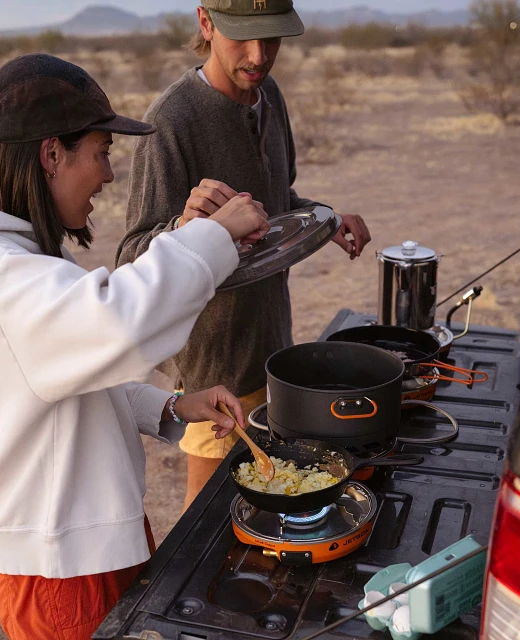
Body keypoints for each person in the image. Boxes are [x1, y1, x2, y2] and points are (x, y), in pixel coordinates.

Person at [0, 53, 269, 640]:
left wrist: (168, 407)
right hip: (63, 572)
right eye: (102, 152)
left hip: (85, 542)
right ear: (51, 154)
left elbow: (62, 376)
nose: (110, 174)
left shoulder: (12, 260)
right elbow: (122, 322)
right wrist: (210, 236)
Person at [117, 0, 372, 510]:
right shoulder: (171, 121)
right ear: (205, 24)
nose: (259, 56)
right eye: (243, 38)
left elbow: (279, 205)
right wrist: (189, 227)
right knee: (206, 516)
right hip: (215, 367)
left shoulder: (268, 96)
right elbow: (133, 257)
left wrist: (325, 217)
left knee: (269, 497)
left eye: (272, 38)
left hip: (272, 346)